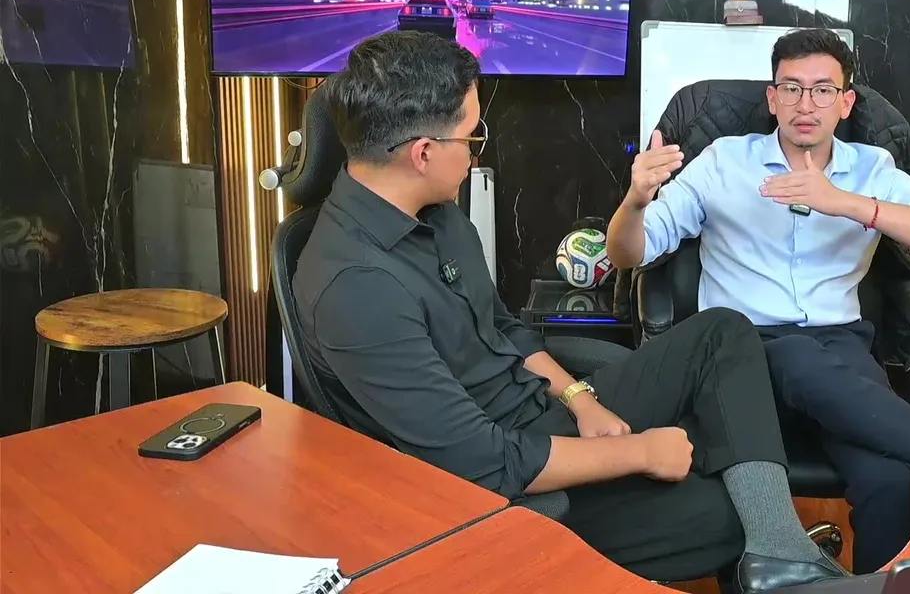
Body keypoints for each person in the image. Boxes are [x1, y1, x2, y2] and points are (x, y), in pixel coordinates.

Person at [292, 30, 848, 592]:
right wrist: (639, 452)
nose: (477, 149)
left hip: (541, 414)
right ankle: (771, 549)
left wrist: (581, 399)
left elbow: (503, 329)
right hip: (506, 490)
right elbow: (482, 461)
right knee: (728, 512)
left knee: (722, 332)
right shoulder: (354, 289)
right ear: (423, 153)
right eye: (472, 135)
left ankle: (780, 553)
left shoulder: (434, 210)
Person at [606, 28, 910, 574]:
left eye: (823, 90)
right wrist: (636, 202)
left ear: (845, 103)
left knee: (889, 481)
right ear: (772, 98)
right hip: (738, 356)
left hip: (840, 354)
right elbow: (627, 253)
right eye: (792, 88)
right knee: (794, 355)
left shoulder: (872, 168)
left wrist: (847, 203)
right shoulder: (723, 162)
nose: (806, 104)